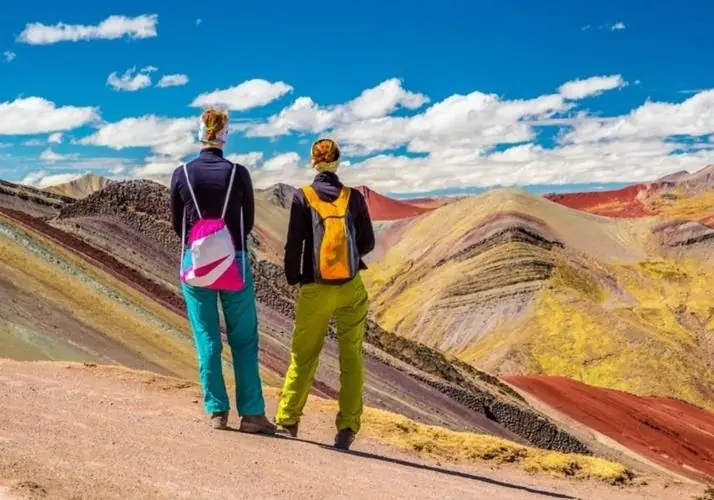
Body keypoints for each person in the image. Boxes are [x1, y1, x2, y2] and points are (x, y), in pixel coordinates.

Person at [170, 107, 275, 434]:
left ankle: (217, 411)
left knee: (207, 336)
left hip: (195, 262)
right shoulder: (238, 173)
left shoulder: (182, 173)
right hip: (234, 261)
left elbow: (177, 224)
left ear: (200, 133)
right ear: (225, 135)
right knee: (243, 339)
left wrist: (203, 243)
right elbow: (248, 221)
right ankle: (252, 414)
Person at [274, 138, 375, 450]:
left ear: (314, 162)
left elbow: (294, 245)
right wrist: (348, 258)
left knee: (303, 356)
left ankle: (288, 419)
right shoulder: (353, 197)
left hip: (315, 288)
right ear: (338, 162)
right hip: (351, 287)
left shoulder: (302, 196)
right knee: (351, 358)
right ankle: (347, 428)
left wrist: (296, 278)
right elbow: (368, 242)